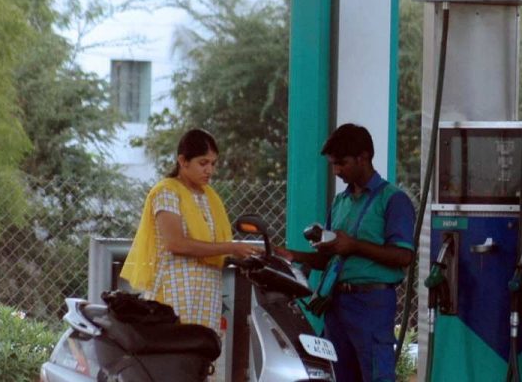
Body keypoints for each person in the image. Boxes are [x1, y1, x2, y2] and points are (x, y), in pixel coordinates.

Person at [277, 123, 415, 382]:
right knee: (336, 374)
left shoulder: (393, 200)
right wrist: (292, 256)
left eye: (342, 163)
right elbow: (332, 257)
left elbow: (403, 256)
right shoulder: (341, 202)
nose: (337, 170)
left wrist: (354, 246)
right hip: (337, 304)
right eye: (333, 164)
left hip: (371, 303)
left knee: (376, 375)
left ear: (363, 157)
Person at [120, 128, 261, 333]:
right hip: (175, 292)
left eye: (213, 164)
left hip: (207, 292)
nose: (209, 170)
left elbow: (214, 247)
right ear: (183, 161)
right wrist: (230, 247)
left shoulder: (209, 197)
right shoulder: (167, 191)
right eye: (203, 163)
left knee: (202, 354)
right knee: (174, 354)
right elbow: (175, 243)